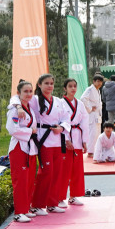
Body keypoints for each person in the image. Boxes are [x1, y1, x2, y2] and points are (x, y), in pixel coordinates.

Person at [28, 74, 70, 214]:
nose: (50, 86)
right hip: (43, 139)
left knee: (56, 173)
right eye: (46, 83)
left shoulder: (58, 101)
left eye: (51, 83)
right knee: (46, 172)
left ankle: (52, 203)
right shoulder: (34, 100)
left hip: (57, 139)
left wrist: (62, 128)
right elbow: (16, 99)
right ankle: (37, 204)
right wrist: (19, 108)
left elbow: (66, 117)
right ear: (39, 85)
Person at [6, 80, 38, 222]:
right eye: (25, 91)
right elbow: (12, 129)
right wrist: (30, 131)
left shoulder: (29, 107)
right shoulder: (14, 109)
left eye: (30, 91)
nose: (28, 94)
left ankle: (26, 208)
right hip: (19, 147)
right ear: (18, 93)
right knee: (20, 181)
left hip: (30, 148)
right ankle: (19, 212)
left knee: (29, 180)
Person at [59, 78, 88, 207]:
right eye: (70, 86)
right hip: (65, 137)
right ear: (65, 88)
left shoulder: (80, 104)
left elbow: (84, 122)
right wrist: (66, 139)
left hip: (77, 137)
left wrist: (84, 141)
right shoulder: (59, 103)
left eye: (75, 86)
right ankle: (60, 197)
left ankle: (73, 196)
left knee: (77, 169)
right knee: (64, 170)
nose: (73, 89)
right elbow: (60, 122)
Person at [80, 74, 104, 158]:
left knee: (97, 133)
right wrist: (90, 107)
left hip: (97, 114)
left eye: (101, 81)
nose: (99, 83)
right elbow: (83, 98)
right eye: (98, 81)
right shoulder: (90, 89)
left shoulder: (98, 90)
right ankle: (90, 151)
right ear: (94, 81)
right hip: (92, 114)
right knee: (92, 133)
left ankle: (95, 150)